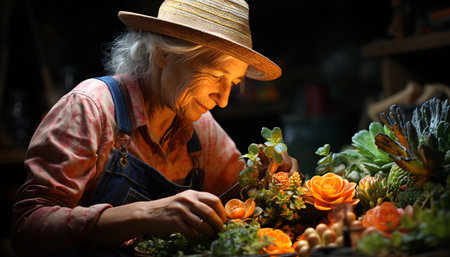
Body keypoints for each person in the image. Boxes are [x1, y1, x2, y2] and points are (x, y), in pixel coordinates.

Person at [11, 0, 296, 256]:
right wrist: (146, 214)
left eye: (231, 83)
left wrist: (269, 178)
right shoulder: (90, 108)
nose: (222, 100)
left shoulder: (200, 126)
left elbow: (239, 200)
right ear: (162, 54)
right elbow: (27, 228)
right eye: (215, 75)